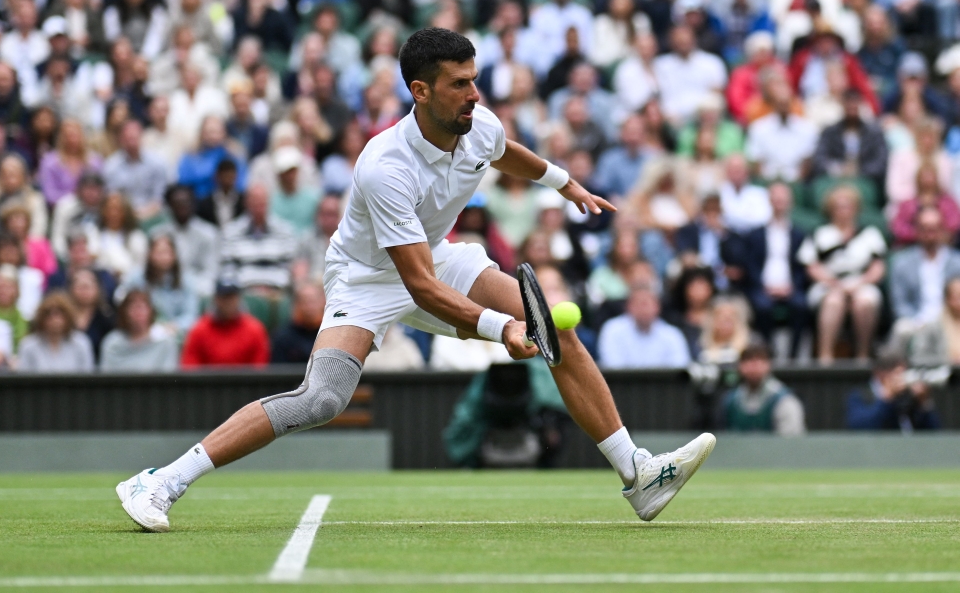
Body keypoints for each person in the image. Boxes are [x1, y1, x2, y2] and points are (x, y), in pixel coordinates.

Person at [117, 28, 715, 532]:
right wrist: (499, 326)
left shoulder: (475, 122)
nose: (474, 94)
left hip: (435, 252)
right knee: (321, 399)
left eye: (475, 79)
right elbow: (419, 288)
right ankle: (160, 481)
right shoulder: (385, 168)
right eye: (460, 83)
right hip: (367, 277)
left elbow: (505, 152)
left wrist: (565, 183)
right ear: (420, 90)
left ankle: (637, 475)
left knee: (558, 333)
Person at [798, 186, 887, 361]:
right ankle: (825, 356)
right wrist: (832, 283)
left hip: (861, 281)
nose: (843, 210)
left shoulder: (869, 234)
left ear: (856, 209)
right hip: (828, 283)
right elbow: (811, 266)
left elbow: (878, 267)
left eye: (847, 206)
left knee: (865, 302)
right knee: (834, 301)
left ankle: (863, 355)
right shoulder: (820, 233)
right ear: (830, 209)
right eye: (838, 206)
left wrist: (861, 282)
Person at [742, 183, 810, 356]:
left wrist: (792, 286)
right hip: (763, 287)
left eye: (783, 199)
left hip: (790, 287)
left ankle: (793, 355)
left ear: (790, 202)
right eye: (776, 198)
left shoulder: (799, 234)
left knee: (801, 305)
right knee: (762, 307)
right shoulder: (755, 234)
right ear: (769, 201)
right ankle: (768, 352)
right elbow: (750, 265)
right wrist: (764, 286)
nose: (780, 202)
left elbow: (803, 266)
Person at [889, 207, 960, 343]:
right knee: (901, 328)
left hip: (951, 319)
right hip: (915, 321)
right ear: (917, 230)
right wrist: (918, 322)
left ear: (943, 230)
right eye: (925, 228)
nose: (930, 234)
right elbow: (900, 304)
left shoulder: (957, 262)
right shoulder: (902, 263)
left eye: (934, 228)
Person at [220, 183, 299, 295]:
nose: (258, 208)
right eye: (254, 203)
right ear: (246, 203)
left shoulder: (284, 231)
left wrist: (271, 288)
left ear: (268, 203)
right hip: (243, 292)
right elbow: (228, 269)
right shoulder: (231, 232)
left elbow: (289, 267)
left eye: (261, 203)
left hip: (276, 292)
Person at [117, 234, 200, 338]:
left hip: (174, 335)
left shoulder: (186, 280)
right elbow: (120, 299)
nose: (163, 257)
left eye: (167, 252)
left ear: (174, 255)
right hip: (139, 333)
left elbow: (191, 315)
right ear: (149, 254)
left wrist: (174, 326)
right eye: (159, 252)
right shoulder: (135, 278)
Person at [180, 276, 270, 368]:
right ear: (216, 299)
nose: (228, 302)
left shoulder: (255, 330)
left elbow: (259, 371)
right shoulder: (199, 330)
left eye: (232, 297)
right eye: (224, 297)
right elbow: (190, 369)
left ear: (239, 298)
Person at [597, 283, 692, 369]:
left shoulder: (673, 335)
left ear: (658, 307)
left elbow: (680, 371)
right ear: (628, 306)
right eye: (639, 303)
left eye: (647, 303)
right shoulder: (612, 330)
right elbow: (613, 369)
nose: (643, 309)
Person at [721, 343, 806, 436]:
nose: (753, 366)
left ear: (768, 365)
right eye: (748, 360)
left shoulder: (784, 401)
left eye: (759, 360)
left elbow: (792, 442)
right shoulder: (732, 400)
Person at [153, 185, 219, 298]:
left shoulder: (209, 234)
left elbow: (211, 272)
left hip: (199, 289)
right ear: (169, 205)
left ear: (193, 204)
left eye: (185, 202)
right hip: (165, 290)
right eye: (177, 203)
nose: (182, 207)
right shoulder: (158, 234)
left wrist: (189, 288)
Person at [846, 354, 940, 430]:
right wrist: (887, 398)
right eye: (897, 374)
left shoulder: (907, 396)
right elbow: (859, 426)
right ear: (880, 373)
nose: (902, 379)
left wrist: (923, 404)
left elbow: (933, 433)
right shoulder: (862, 395)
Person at [99, 288, 179, 373]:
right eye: (133, 307)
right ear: (124, 312)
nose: (138, 312)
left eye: (142, 307)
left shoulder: (165, 343)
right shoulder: (112, 343)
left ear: (151, 311)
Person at [16, 291, 94, 373]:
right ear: (42, 318)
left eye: (60, 316)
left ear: (68, 317)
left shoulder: (81, 343)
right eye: (50, 316)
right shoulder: (28, 345)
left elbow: (87, 377)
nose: (55, 321)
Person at [68, 267, 116, 362]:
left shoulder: (107, 318)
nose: (84, 289)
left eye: (88, 285)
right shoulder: (63, 318)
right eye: (79, 284)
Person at [271, 281, 325, 364]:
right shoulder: (282, 337)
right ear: (296, 304)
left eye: (313, 301)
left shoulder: (331, 334)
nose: (310, 307)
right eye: (305, 301)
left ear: (323, 302)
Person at [0, 264, 28, 350]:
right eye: (0, 287)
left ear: (17, 290)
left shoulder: (23, 318)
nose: (3, 291)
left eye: (8, 287)